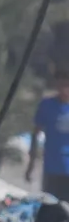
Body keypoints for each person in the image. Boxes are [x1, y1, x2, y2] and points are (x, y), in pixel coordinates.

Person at [35, 65, 69, 201]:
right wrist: (31, 163)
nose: (64, 89)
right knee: (49, 204)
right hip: (52, 167)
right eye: (61, 85)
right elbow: (36, 132)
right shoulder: (47, 105)